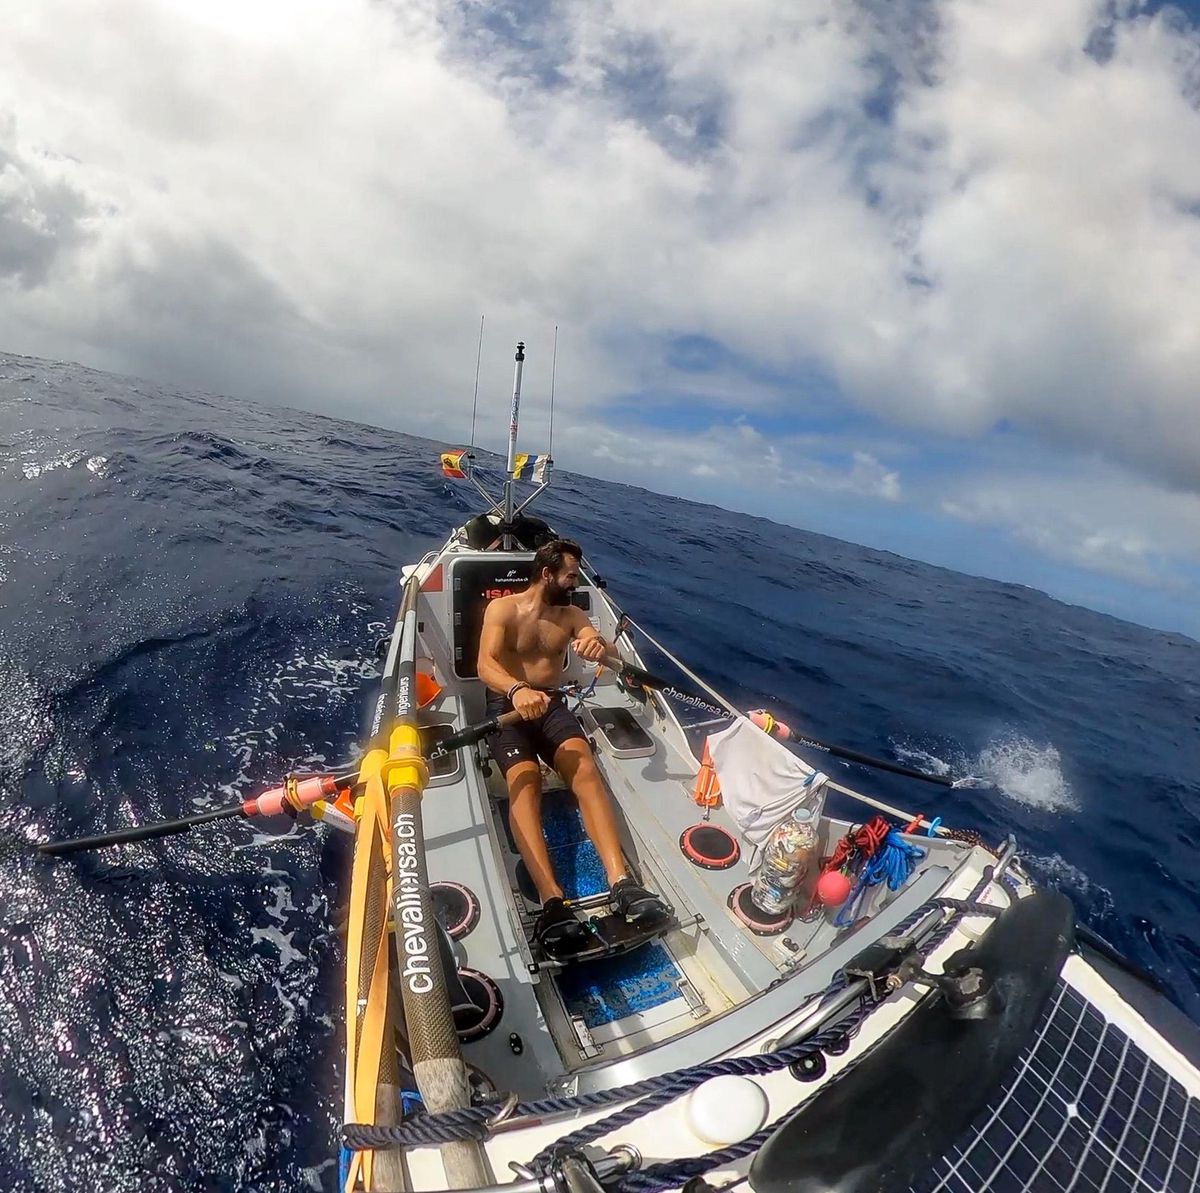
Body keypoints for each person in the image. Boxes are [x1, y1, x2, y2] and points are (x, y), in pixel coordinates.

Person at [477, 537, 667, 953]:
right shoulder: (502, 609)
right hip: (508, 705)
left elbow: (609, 653)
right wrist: (516, 690)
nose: (575, 582)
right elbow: (485, 664)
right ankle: (552, 901)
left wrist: (600, 646)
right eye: (570, 575)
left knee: (583, 765)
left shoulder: (572, 614)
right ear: (547, 574)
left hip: (551, 704)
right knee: (525, 779)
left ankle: (621, 883)